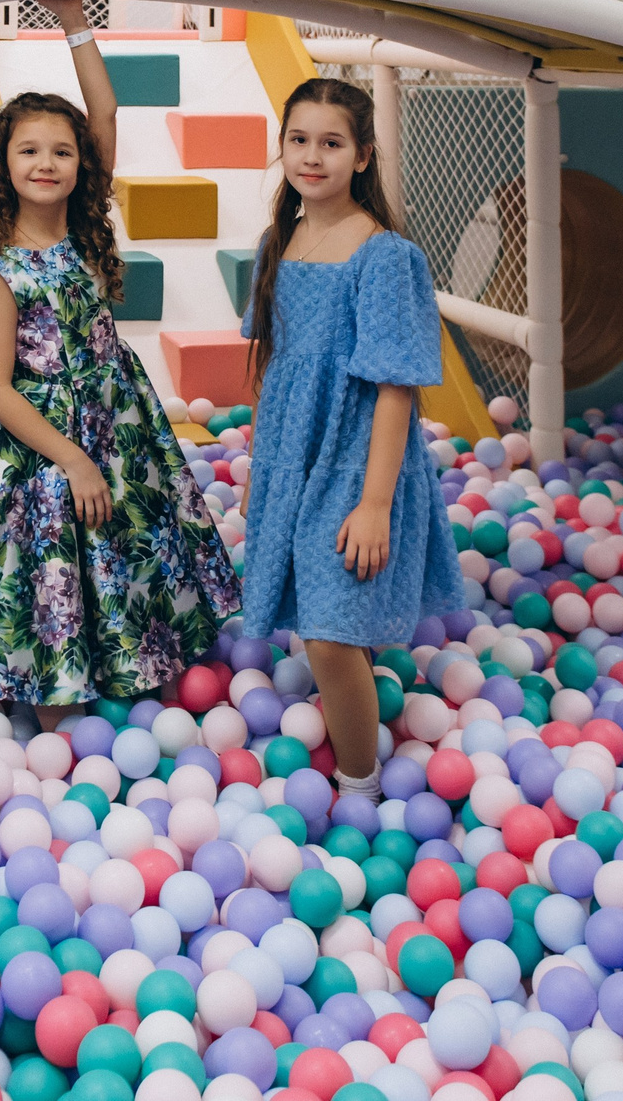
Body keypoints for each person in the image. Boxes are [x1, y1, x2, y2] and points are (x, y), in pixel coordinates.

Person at [0, 0, 239, 729]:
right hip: (40, 441)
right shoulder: (4, 270)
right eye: (29, 150)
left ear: (81, 164)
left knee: (121, 543)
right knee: (48, 556)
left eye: (61, 150)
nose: (46, 162)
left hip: (114, 426)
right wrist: (74, 460)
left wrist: (72, 18)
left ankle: (129, 656)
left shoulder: (82, 233)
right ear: (4, 165)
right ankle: (52, 687)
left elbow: (105, 114)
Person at [237, 76, 465, 804]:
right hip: (293, 448)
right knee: (318, 609)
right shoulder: (282, 240)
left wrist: (374, 501)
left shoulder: (384, 255)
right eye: (299, 140)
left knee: (329, 634)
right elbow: (273, 359)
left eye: (331, 143)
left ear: (362, 156)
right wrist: (261, 461)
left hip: (356, 451)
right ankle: (355, 685)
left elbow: (396, 385)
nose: (312, 156)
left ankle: (359, 785)